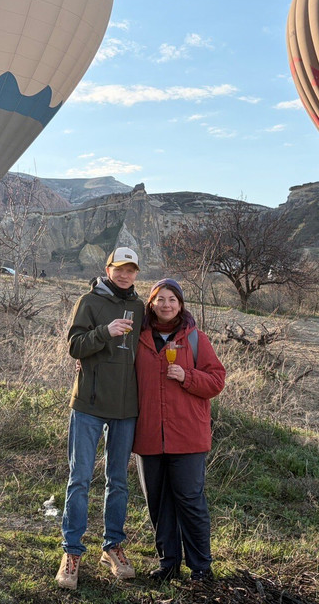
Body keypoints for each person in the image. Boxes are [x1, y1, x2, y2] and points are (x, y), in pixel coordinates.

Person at [55, 247, 145, 590]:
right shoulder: (89, 302)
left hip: (125, 408)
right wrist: (105, 332)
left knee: (117, 481)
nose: (124, 275)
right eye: (119, 268)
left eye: (131, 270)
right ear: (108, 268)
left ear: (136, 273)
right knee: (79, 478)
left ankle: (112, 547)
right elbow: (75, 346)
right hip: (89, 405)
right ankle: (72, 552)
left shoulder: (139, 307)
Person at [133, 279, 226, 583]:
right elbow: (116, 369)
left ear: (181, 304)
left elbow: (216, 382)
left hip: (187, 437)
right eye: (160, 299)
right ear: (152, 303)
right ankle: (168, 564)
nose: (167, 305)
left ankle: (201, 568)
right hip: (148, 436)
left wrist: (187, 376)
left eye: (173, 299)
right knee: (159, 504)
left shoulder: (196, 339)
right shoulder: (139, 338)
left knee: (190, 501)